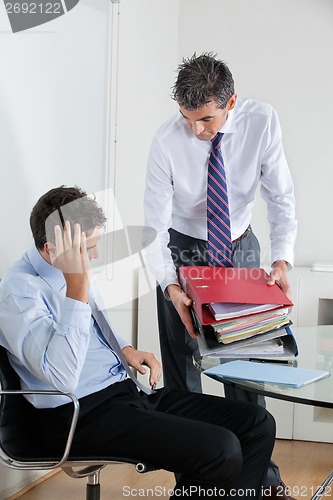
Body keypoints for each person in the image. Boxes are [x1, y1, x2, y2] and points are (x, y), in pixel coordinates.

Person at [0, 185, 276, 499]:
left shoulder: (69, 271)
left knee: (257, 424)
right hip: (77, 415)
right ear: (52, 249)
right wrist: (76, 288)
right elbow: (62, 376)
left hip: (123, 393)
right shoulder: (19, 293)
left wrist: (125, 349)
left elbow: (92, 328)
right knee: (219, 450)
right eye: (88, 247)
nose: (95, 255)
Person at [143, 53, 297, 498]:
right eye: (187, 118)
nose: (196, 130)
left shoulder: (262, 122)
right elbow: (151, 228)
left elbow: (281, 198)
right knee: (182, 366)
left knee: (245, 365)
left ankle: (261, 479)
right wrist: (171, 285)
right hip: (180, 248)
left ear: (231, 102)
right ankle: (193, 483)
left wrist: (282, 260)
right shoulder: (165, 142)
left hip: (239, 244)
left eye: (206, 119)